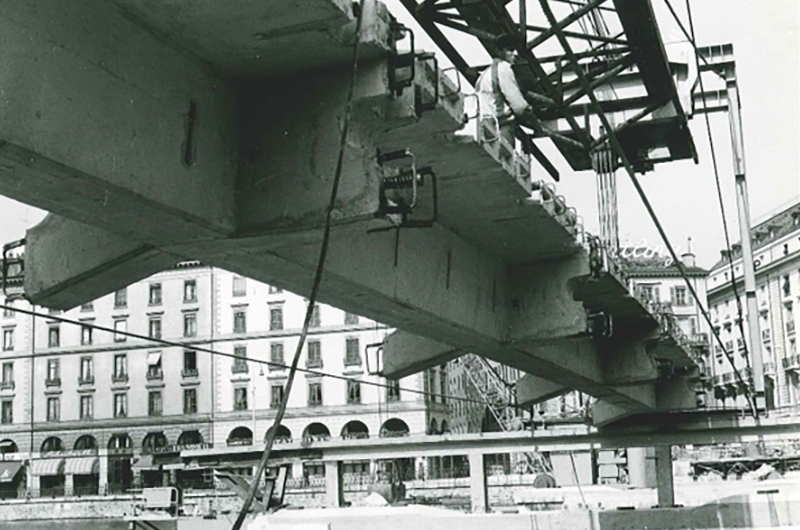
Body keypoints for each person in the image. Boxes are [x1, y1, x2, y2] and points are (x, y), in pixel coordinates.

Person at [476, 34, 531, 148]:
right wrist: (532, 118)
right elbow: (518, 105)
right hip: (500, 127)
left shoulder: (484, 74)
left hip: (484, 126)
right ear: (498, 51)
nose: (514, 54)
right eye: (510, 50)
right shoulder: (503, 68)